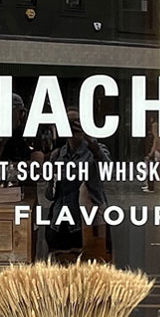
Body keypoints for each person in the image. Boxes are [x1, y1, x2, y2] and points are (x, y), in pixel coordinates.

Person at [44, 110, 112, 263]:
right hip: (60, 223)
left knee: (92, 266)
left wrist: (92, 144)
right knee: (61, 268)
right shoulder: (58, 155)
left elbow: (109, 172)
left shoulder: (95, 150)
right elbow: (50, 194)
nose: (74, 127)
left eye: (77, 122)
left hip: (89, 221)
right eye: (69, 123)